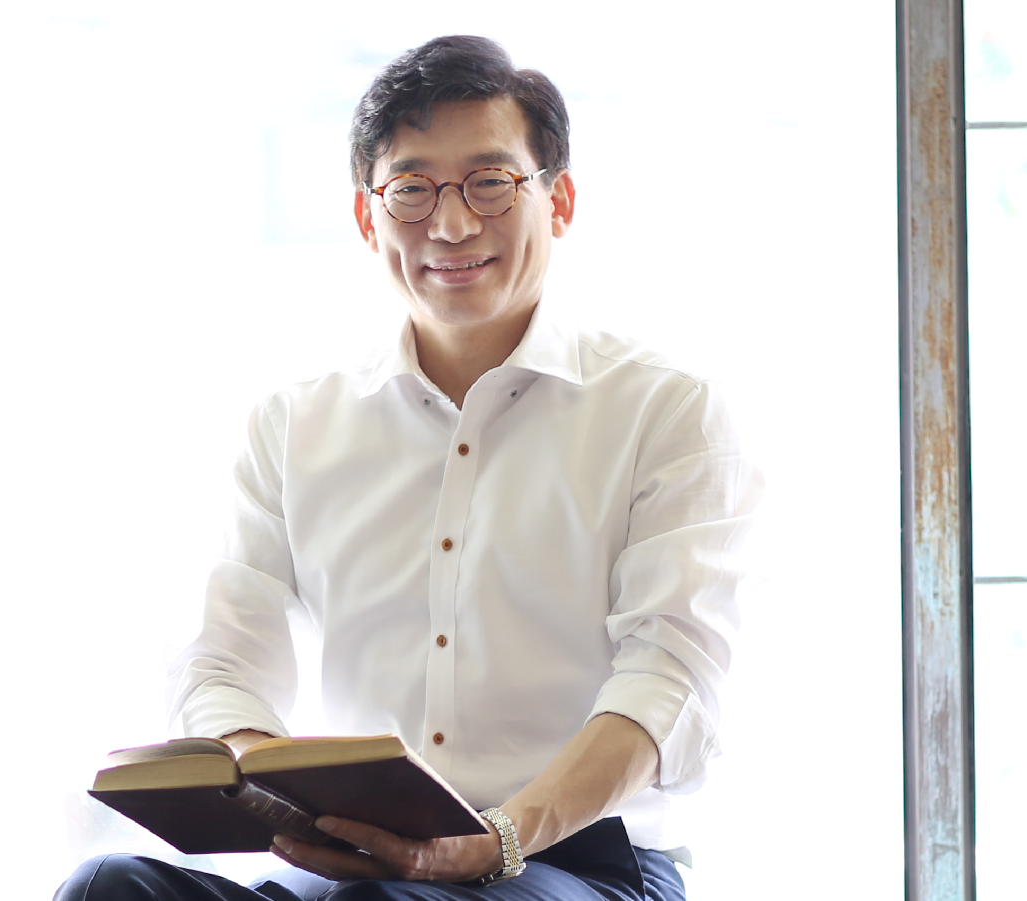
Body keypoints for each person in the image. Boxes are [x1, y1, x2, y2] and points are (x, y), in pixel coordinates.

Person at [57, 34, 762, 901]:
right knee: (108, 885)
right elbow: (222, 663)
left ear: (559, 200)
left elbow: (669, 681)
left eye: (490, 182)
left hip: (579, 864)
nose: (451, 224)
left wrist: (497, 838)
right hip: (361, 867)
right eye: (412, 188)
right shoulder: (296, 422)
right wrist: (268, 790)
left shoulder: (665, 410)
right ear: (368, 217)